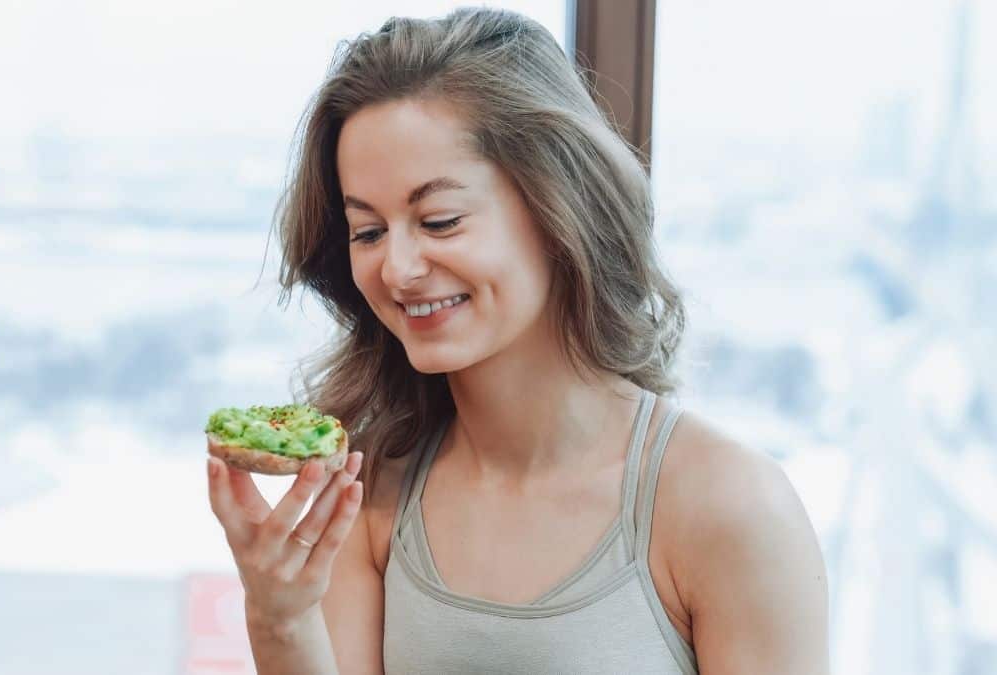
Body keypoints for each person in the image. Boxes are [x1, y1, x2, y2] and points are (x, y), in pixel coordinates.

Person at [206, 7, 829, 674]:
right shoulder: (371, 494)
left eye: (439, 220)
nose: (398, 267)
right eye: (369, 231)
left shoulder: (730, 508)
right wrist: (281, 615)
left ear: (557, 206)